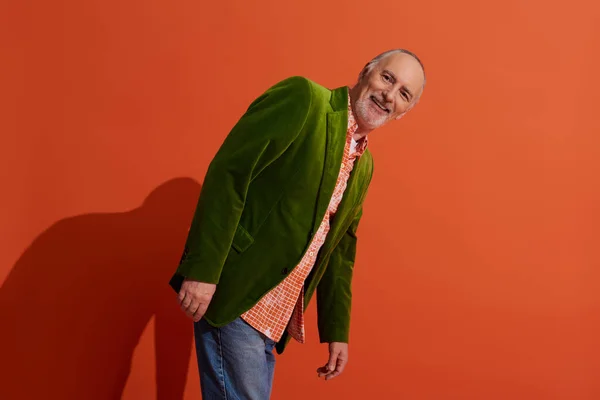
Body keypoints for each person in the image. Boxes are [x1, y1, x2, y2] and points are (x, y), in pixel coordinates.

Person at [169, 48, 426, 399]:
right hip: (237, 295)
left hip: (274, 323)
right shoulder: (306, 100)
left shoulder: (364, 167)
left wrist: (336, 330)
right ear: (366, 71)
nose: (389, 95)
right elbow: (231, 172)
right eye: (387, 78)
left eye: (403, 94)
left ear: (404, 113)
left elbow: (340, 250)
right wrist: (203, 270)